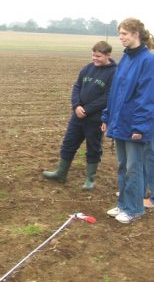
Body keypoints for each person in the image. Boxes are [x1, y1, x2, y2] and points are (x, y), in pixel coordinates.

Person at [43, 41, 116, 190]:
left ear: (108, 55)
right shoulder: (88, 68)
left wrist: (87, 110)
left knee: (93, 147)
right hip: (77, 116)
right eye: (93, 55)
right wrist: (76, 106)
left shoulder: (114, 72)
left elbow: (108, 97)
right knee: (69, 143)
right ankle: (60, 173)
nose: (94, 58)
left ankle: (90, 179)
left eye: (98, 56)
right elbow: (77, 87)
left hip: (95, 119)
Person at [103, 18, 154, 223]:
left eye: (124, 33)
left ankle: (134, 209)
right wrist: (107, 116)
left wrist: (140, 126)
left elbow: (147, 96)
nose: (121, 37)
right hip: (120, 123)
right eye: (120, 33)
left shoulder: (147, 61)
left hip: (134, 125)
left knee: (135, 167)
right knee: (123, 166)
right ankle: (123, 204)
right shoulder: (125, 59)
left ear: (136, 34)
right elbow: (115, 91)